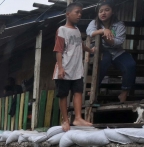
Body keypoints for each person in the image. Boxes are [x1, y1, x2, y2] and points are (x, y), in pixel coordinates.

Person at [53, 2, 95, 131]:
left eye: (80, 12)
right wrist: (60, 68)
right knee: (63, 95)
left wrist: (90, 50)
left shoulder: (77, 30)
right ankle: (65, 120)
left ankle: (77, 118)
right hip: (65, 68)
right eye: (77, 12)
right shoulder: (62, 30)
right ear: (67, 14)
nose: (79, 15)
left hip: (77, 69)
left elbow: (80, 44)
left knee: (78, 92)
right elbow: (58, 50)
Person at [86, 0, 136, 103]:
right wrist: (103, 31)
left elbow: (119, 42)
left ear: (112, 11)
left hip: (117, 52)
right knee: (104, 60)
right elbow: (90, 32)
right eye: (101, 11)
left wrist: (107, 38)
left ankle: (124, 92)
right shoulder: (94, 23)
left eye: (107, 10)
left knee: (131, 65)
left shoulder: (119, 25)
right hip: (101, 51)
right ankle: (94, 88)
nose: (103, 13)